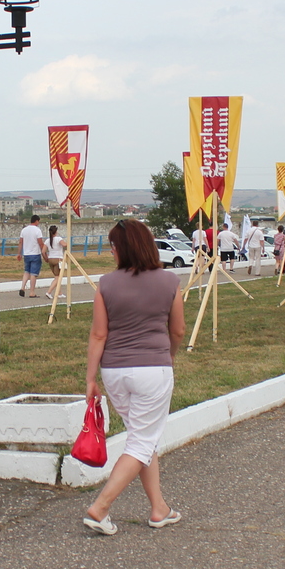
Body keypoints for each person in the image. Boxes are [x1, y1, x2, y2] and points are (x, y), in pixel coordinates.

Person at [81, 219, 187, 536]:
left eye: (113, 247)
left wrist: (90, 379)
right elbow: (178, 329)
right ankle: (100, 508)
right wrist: (169, 356)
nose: (112, 253)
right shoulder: (169, 281)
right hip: (153, 369)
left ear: (121, 249)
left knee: (142, 438)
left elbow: (99, 334)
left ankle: (159, 509)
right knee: (142, 440)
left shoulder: (106, 283)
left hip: (114, 372)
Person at [19, 215, 45, 297]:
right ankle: (32, 292)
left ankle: (22, 287)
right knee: (33, 273)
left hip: (26, 254)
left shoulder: (24, 230)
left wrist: (19, 253)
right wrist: (44, 253)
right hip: (35, 254)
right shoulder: (37, 230)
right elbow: (40, 243)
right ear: (37, 221)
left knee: (27, 271)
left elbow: (20, 242)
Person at [44, 224, 65, 296]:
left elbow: (43, 251)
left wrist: (46, 258)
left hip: (50, 258)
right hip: (58, 259)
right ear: (56, 232)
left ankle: (60, 293)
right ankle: (49, 292)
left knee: (57, 276)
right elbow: (64, 244)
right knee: (57, 277)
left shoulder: (47, 240)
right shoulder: (58, 239)